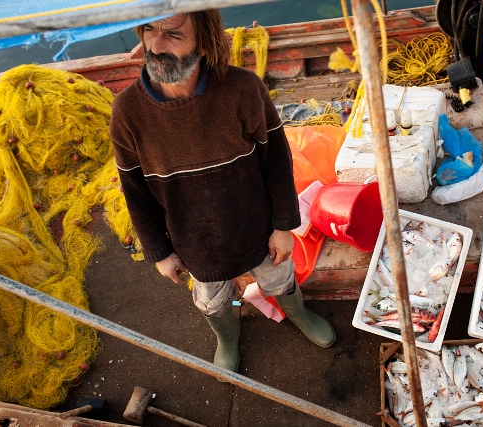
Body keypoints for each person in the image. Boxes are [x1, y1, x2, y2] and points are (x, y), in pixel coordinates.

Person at [109, 9, 336, 373]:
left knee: (279, 279)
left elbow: (277, 160)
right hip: (194, 242)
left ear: (205, 36)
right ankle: (227, 337)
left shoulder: (244, 88)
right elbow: (135, 192)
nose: (156, 45)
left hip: (256, 227)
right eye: (148, 29)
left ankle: (300, 315)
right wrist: (159, 252)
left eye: (173, 34)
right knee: (213, 302)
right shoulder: (127, 111)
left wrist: (283, 226)